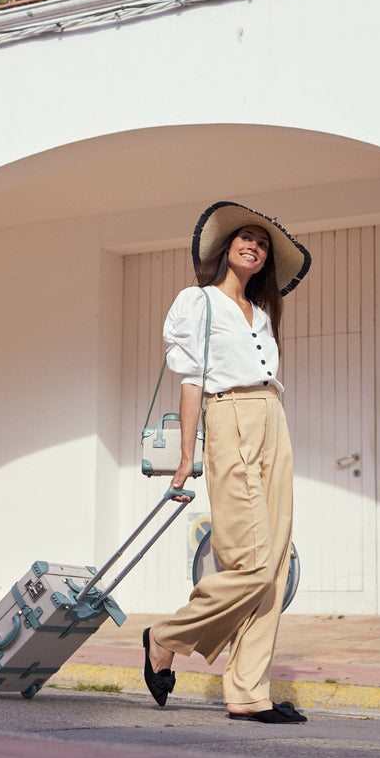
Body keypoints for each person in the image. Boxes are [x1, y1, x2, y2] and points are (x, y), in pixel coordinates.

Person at [142, 200, 311, 724]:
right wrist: (188, 453)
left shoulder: (261, 314)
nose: (254, 246)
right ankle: (165, 637)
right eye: (247, 237)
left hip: (272, 416)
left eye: (262, 244)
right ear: (226, 247)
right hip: (229, 415)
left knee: (275, 565)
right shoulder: (199, 303)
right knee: (251, 561)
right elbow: (191, 379)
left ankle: (247, 692)